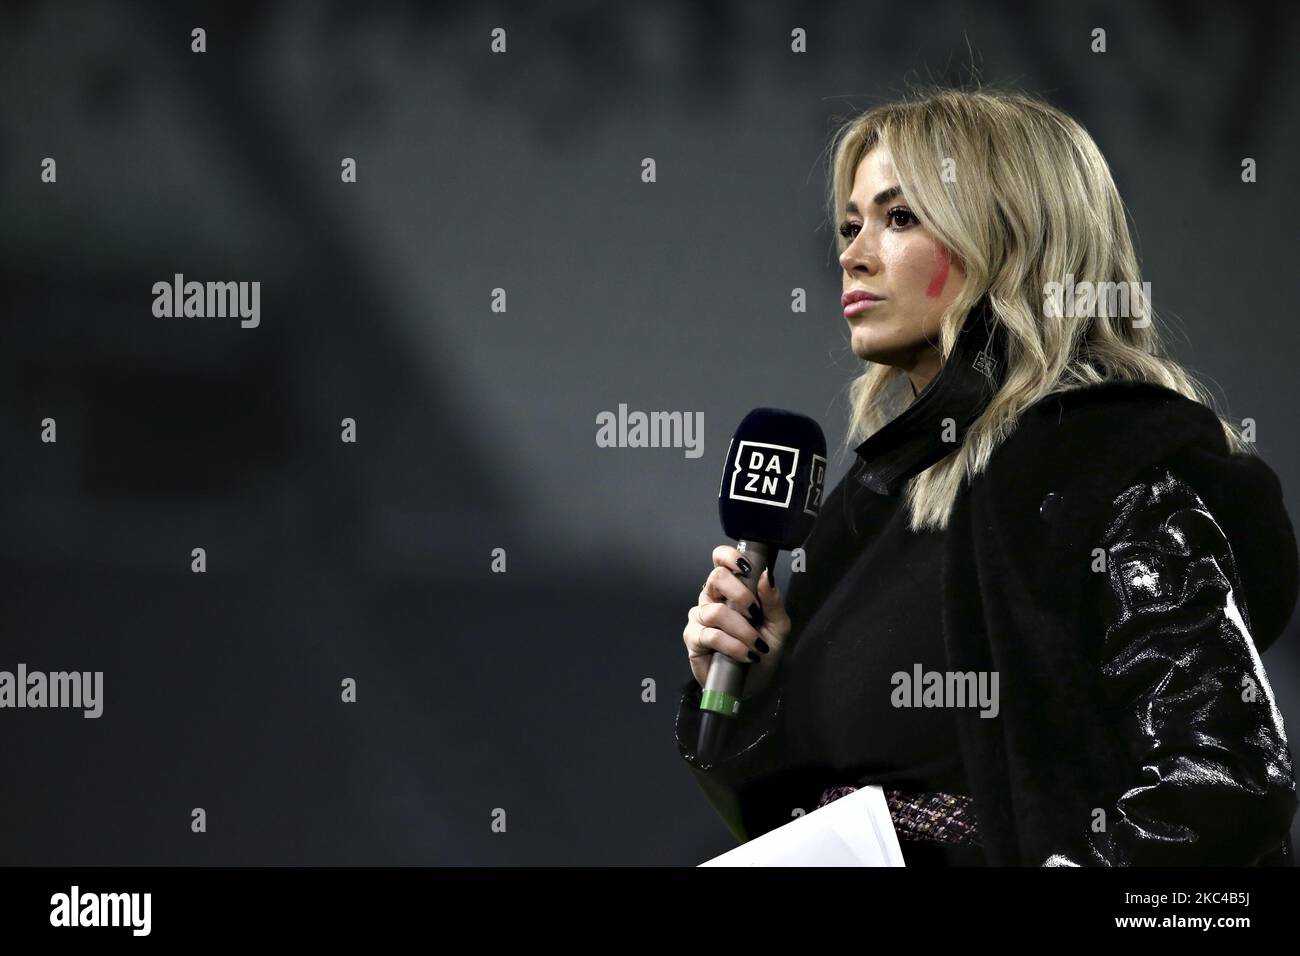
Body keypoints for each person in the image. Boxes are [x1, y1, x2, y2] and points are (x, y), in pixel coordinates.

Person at [675, 87, 1299, 866]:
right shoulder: (880, 506)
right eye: (851, 222)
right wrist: (755, 691)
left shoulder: (1105, 473)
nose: (852, 252)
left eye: (899, 218)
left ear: (1010, 240)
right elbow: (797, 820)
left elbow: (1227, 783)